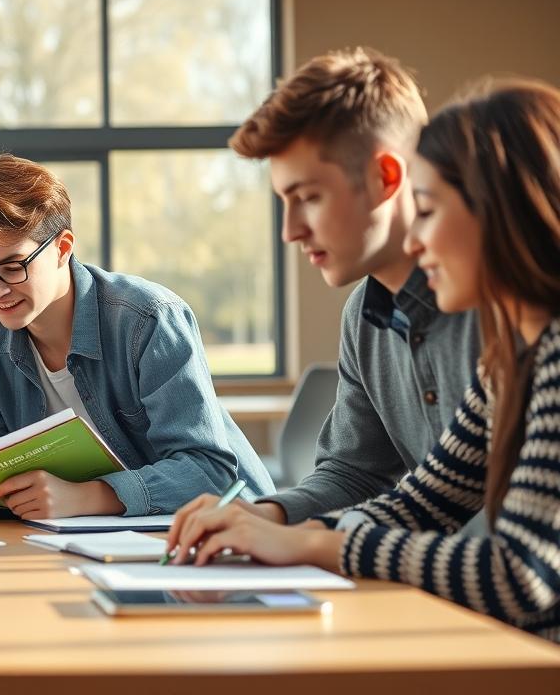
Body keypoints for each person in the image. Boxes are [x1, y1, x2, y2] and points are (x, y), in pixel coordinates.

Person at [167, 79, 560, 641]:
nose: (417, 243)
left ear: (497, 214)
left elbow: (520, 574)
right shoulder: (511, 359)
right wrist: (271, 528)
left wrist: (308, 542)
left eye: (426, 211)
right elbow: (422, 503)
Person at [0, 153, 273, 519]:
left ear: (62, 249)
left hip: (228, 530)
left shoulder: (148, 320)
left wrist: (86, 497)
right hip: (84, 535)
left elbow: (208, 470)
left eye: (13, 268)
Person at [229, 47, 479, 524]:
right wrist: (266, 517)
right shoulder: (363, 314)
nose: (290, 231)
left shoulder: (505, 307)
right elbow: (354, 475)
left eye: (309, 198)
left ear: (386, 177)